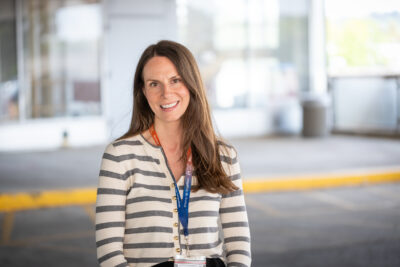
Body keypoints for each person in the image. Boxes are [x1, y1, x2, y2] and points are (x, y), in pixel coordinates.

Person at [95, 40, 251, 267]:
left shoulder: (223, 155)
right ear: (143, 91)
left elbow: (239, 244)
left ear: (191, 83)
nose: (166, 93)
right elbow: (109, 252)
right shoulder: (119, 156)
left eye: (175, 80)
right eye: (154, 84)